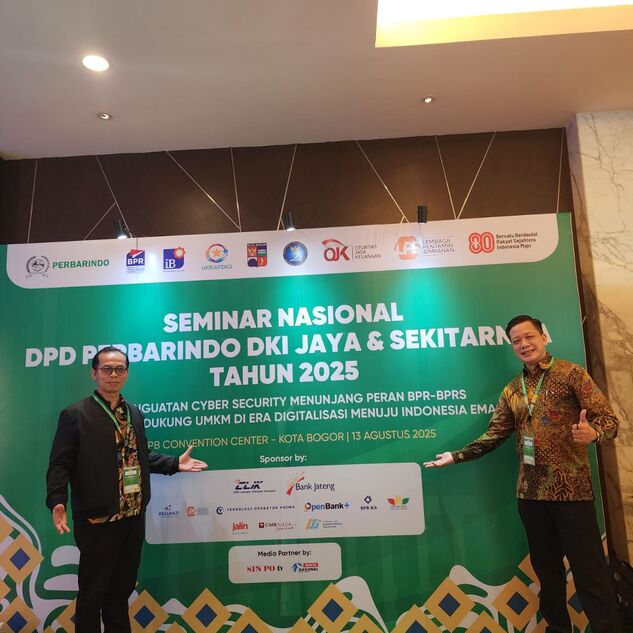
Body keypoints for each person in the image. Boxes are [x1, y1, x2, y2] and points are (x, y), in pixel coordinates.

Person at [424, 315, 620, 633]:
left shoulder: (571, 374)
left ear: (544, 336)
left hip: (572, 493)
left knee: (590, 573)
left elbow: (610, 421)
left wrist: (593, 433)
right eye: (516, 341)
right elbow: (494, 435)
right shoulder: (513, 390)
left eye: (529, 337)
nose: (524, 344)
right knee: (547, 575)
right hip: (530, 496)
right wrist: (456, 456)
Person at [46, 346, 208, 633]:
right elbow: (60, 463)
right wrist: (58, 499)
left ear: (126, 373)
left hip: (132, 517)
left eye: (119, 369)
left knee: (120, 592)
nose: (113, 374)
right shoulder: (75, 415)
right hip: (98, 519)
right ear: (94, 373)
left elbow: (139, 457)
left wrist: (174, 464)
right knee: (92, 594)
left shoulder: (133, 413)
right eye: (107, 369)